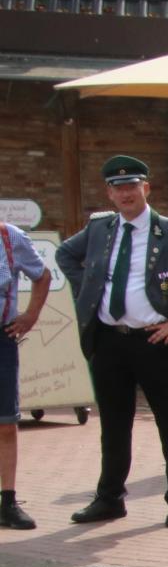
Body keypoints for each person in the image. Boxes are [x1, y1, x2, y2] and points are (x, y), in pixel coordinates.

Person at [55, 155, 168, 528]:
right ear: (109, 194)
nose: (126, 192)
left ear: (146, 188)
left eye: (132, 185)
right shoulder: (100, 228)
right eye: (118, 187)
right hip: (109, 339)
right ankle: (109, 498)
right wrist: (89, 288)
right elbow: (65, 254)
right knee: (114, 422)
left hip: (155, 339)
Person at [1, 217, 50, 529]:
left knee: (5, 424)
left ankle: (8, 502)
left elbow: (42, 275)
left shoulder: (9, 237)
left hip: (1, 340)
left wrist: (31, 315)